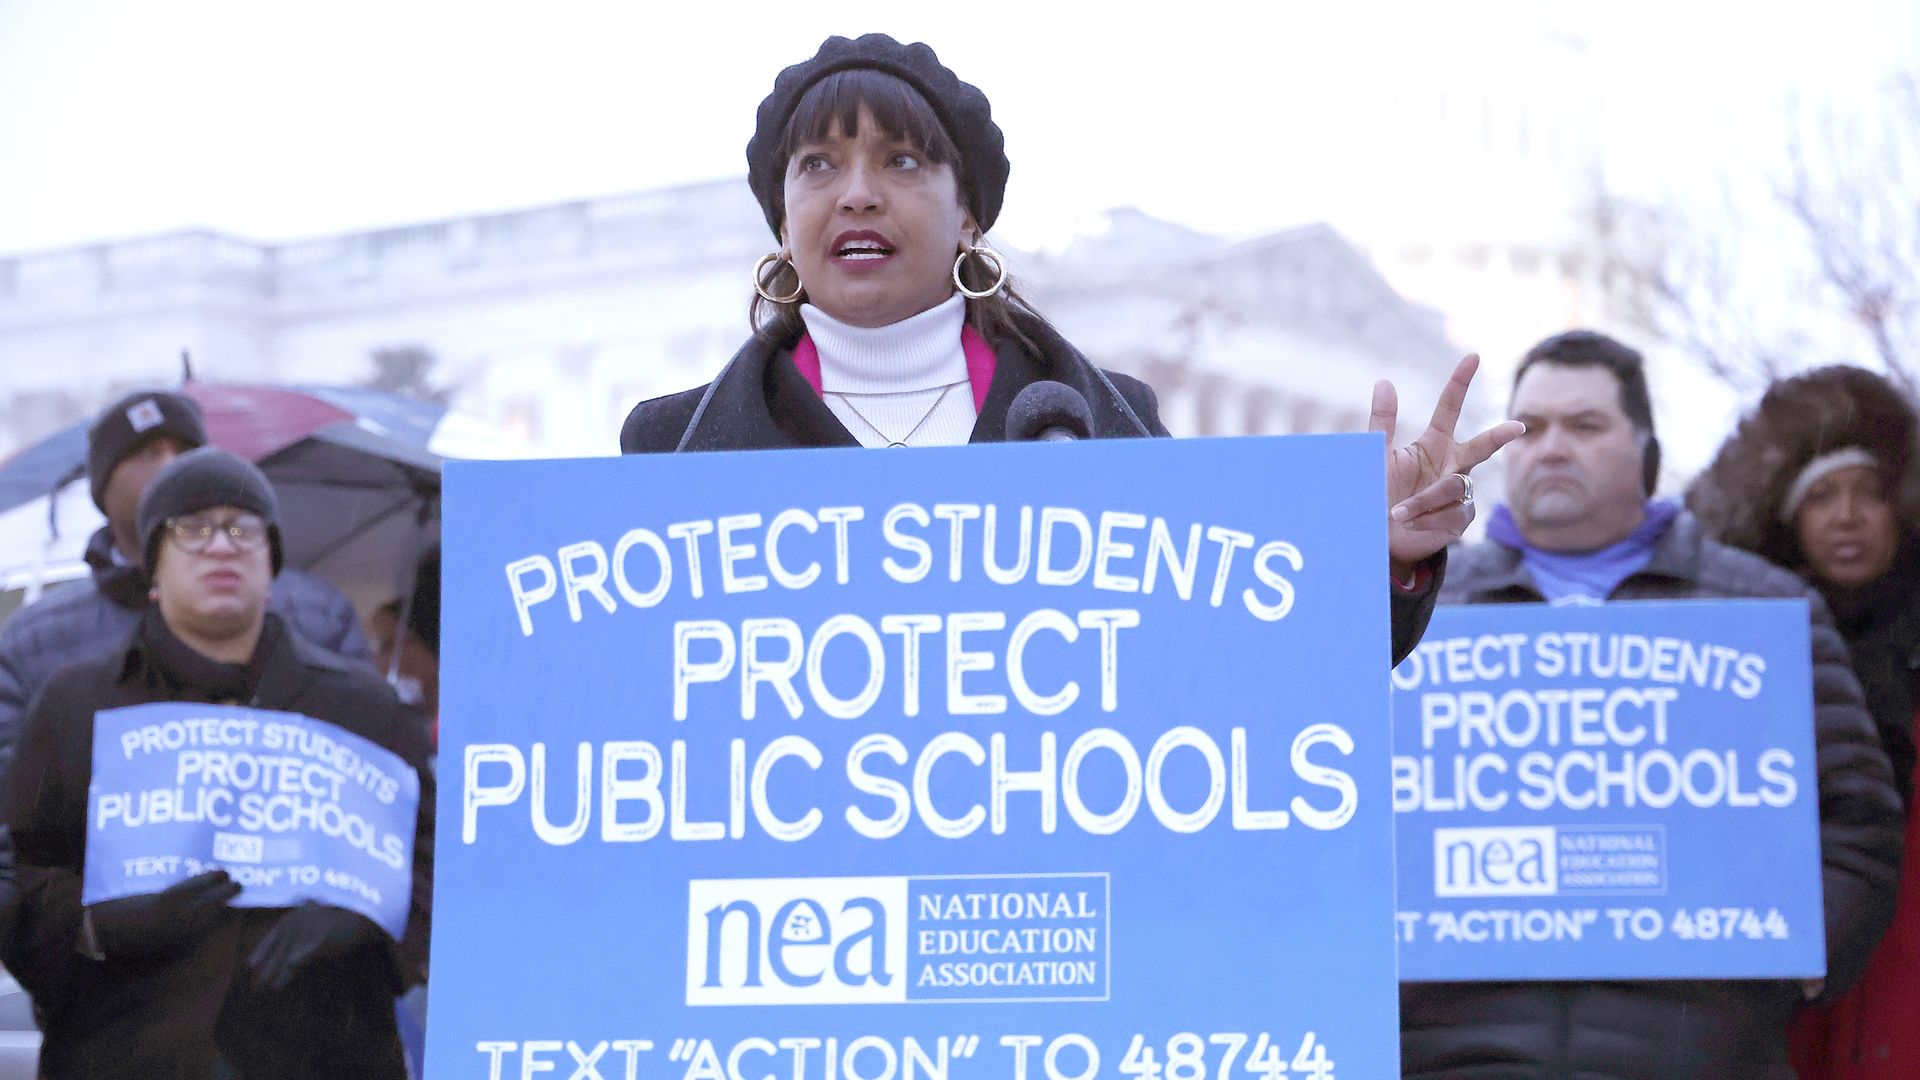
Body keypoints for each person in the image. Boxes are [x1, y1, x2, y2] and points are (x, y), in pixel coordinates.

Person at [619, 33, 1524, 664]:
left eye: (902, 162)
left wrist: (1370, 561)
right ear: (782, 218)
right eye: (816, 165)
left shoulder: (1099, 424)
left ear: (968, 213)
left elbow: (1233, 671)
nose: (855, 194)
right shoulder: (665, 450)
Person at [1399, 331, 1904, 1079]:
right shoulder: (1414, 613)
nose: (1553, 447)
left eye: (1586, 425)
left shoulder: (1764, 606)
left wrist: (1798, 949)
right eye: (1530, 428)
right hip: (1457, 1054)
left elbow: (1858, 814)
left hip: (1699, 1053)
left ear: (1647, 450)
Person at [2, 448, 434, 1079]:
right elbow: (16, 870)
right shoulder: (76, 706)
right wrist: (100, 927)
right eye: (192, 529)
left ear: (271, 563)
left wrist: (367, 918)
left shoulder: (361, 708)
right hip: (128, 1051)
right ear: (152, 564)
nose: (221, 546)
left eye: (244, 528)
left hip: (327, 1050)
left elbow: (435, 861)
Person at [1688, 365, 1920, 1078]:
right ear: (1786, 522)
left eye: (1869, 495)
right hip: (1785, 1010)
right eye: (1821, 496)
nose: (1847, 516)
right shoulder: (1737, 672)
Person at [0, 390, 373, 783]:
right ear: (103, 487)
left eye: (186, 450)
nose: (168, 465)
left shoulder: (317, 613)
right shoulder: (36, 640)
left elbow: (366, 766)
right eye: (145, 452)